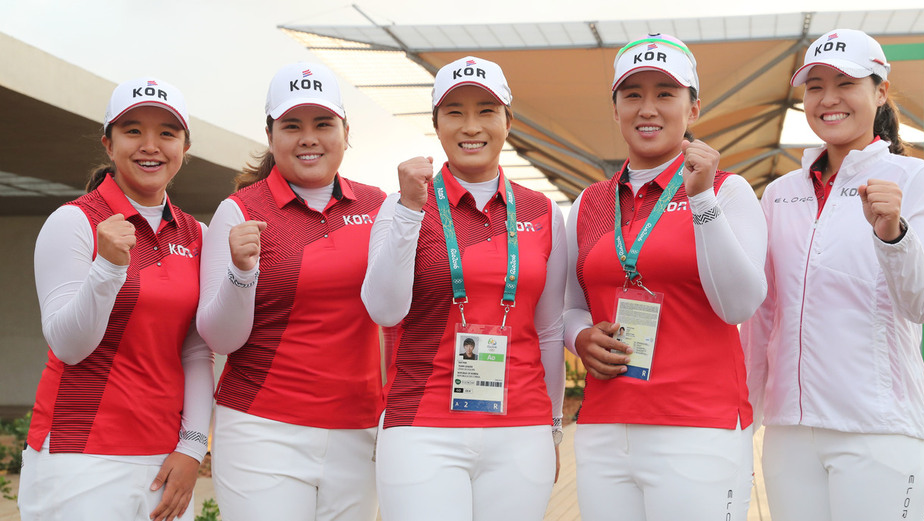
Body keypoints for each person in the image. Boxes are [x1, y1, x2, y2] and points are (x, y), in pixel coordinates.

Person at [742, 28, 924, 521]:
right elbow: (763, 317)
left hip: (878, 431)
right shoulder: (780, 194)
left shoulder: (915, 179)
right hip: (789, 433)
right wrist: (743, 417)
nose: (828, 99)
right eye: (815, 86)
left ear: (880, 92)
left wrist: (893, 235)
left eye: (846, 83)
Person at [563, 34, 768, 520]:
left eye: (665, 93)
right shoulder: (589, 202)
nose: (647, 108)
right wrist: (581, 338)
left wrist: (700, 201)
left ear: (692, 108)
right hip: (605, 429)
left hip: (698, 428)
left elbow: (739, 305)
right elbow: (569, 308)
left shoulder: (728, 191)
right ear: (615, 110)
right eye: (632, 94)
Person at [361, 56, 566, 521]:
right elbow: (383, 311)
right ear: (436, 123)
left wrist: (552, 427)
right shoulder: (400, 205)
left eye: (486, 110)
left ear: (508, 122)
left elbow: (550, 330)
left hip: (522, 427)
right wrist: (410, 212)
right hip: (421, 426)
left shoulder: (543, 212)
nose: (470, 126)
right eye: (455, 112)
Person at [196, 62, 385, 521]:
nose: (308, 138)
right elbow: (219, 339)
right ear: (270, 133)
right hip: (262, 429)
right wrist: (242, 272)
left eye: (323, 124)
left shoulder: (380, 205)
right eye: (291, 126)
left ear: (345, 131)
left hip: (358, 429)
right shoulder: (238, 210)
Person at [19, 78, 213, 521]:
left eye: (167, 133)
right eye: (132, 131)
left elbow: (198, 351)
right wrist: (107, 267)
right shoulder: (73, 221)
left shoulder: (196, 235)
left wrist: (193, 447)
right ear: (108, 144)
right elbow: (68, 345)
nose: (151, 146)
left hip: (164, 460)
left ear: (185, 146)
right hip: (79, 452)